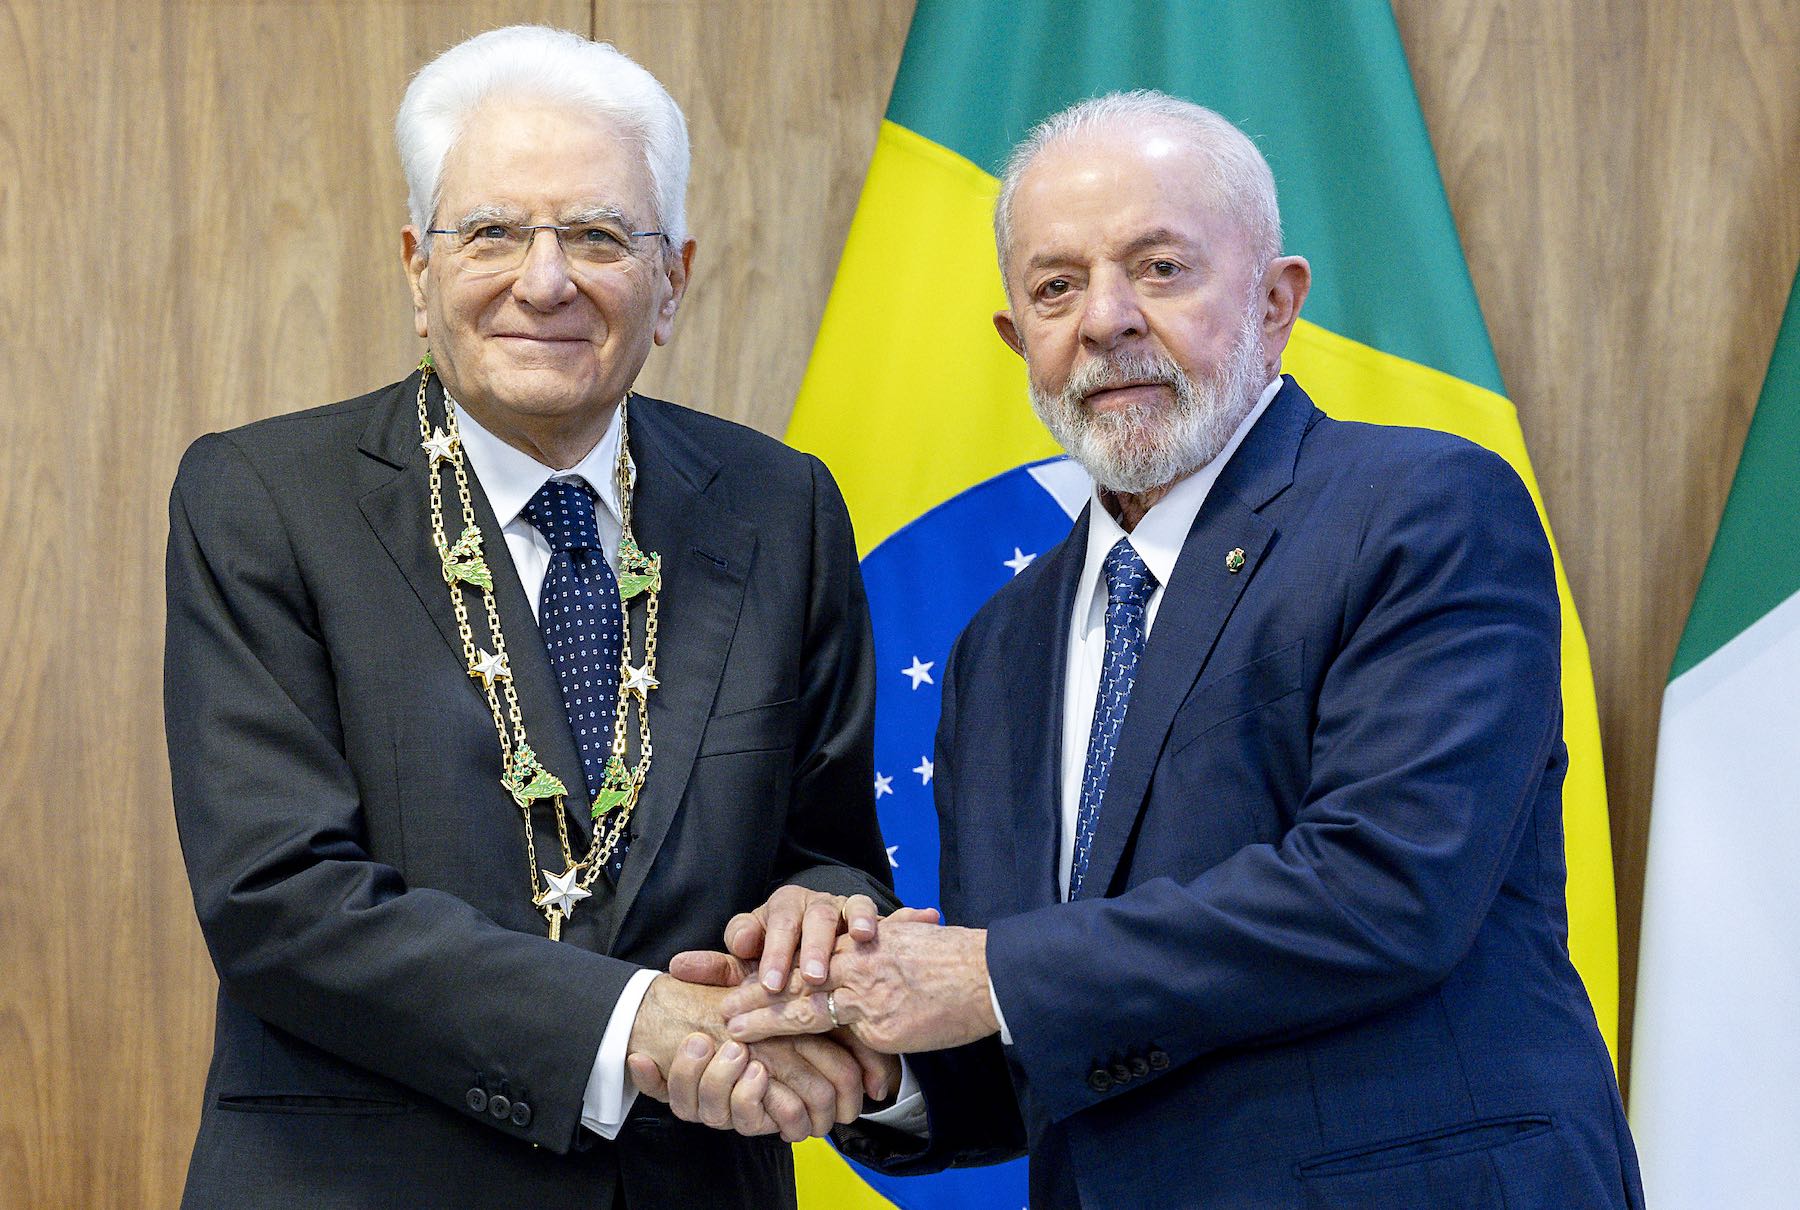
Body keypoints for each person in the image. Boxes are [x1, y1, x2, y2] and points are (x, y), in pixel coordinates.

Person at [669, 91, 1646, 1208]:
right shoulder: (999, 651)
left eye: (1162, 268)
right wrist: (874, 1058)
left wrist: (985, 972)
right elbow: (1061, 1033)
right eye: (1056, 286)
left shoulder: (1426, 509)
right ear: (1017, 341)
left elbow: (1386, 890)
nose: (1106, 319)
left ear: (1279, 301)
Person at [163, 25, 899, 1208]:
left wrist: (821, 912)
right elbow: (278, 897)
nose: (545, 279)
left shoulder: (780, 506)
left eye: (601, 235)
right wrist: (632, 1021)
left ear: (673, 281)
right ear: (416, 268)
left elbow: (831, 841)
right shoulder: (264, 499)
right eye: (494, 230)